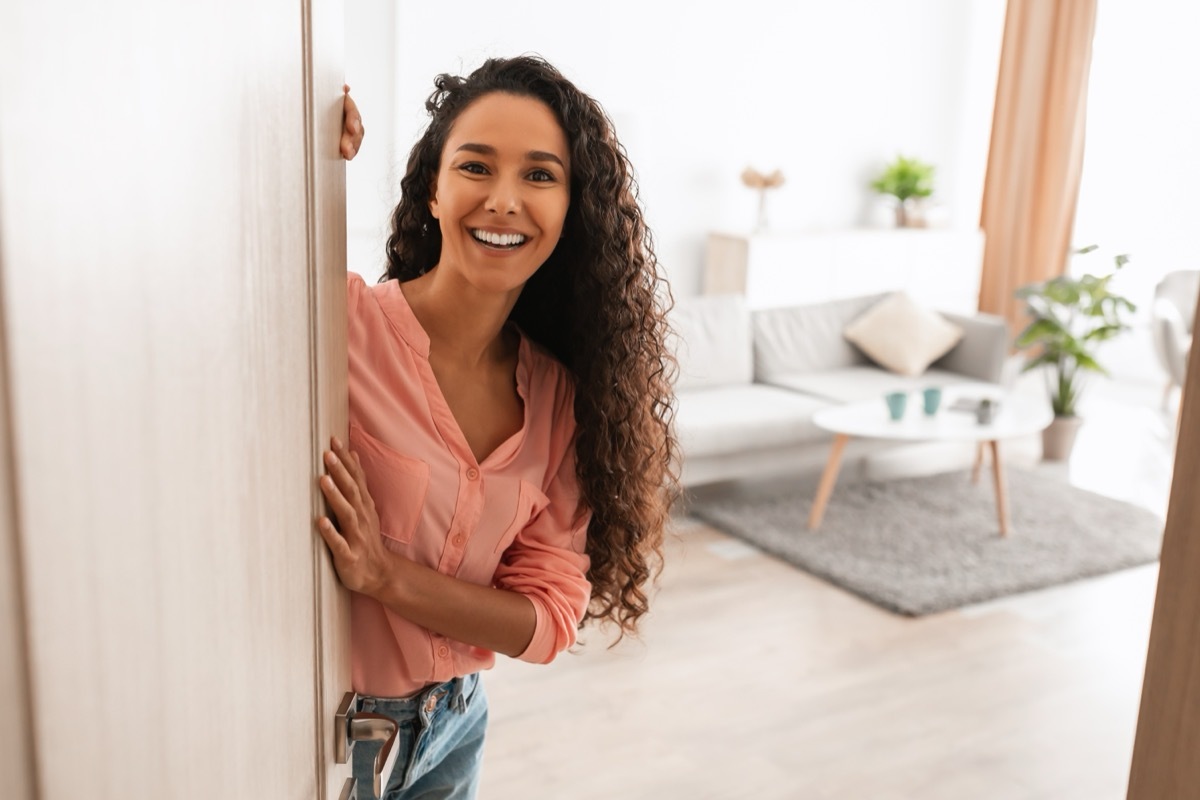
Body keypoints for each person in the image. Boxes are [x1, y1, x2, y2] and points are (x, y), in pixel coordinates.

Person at [319, 56, 679, 799]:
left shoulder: (559, 398)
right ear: (434, 187)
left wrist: (385, 576)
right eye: (476, 166)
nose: (505, 200)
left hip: (454, 726)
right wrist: (297, 145)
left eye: (540, 175)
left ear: (572, 208)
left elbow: (546, 621)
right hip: (329, 733)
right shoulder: (339, 325)